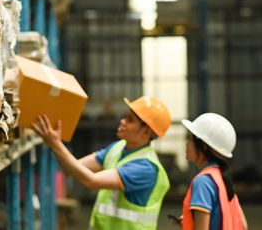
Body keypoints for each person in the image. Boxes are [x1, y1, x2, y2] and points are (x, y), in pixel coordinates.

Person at [32, 96, 172, 230]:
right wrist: (54, 142)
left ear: (145, 132)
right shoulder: (117, 148)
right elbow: (73, 168)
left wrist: (55, 143)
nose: (122, 121)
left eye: (130, 120)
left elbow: (90, 181)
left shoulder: (145, 168)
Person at [178, 113, 247, 230]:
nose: (186, 143)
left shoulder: (202, 182)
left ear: (204, 146)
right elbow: (243, 225)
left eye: (190, 138)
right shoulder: (222, 178)